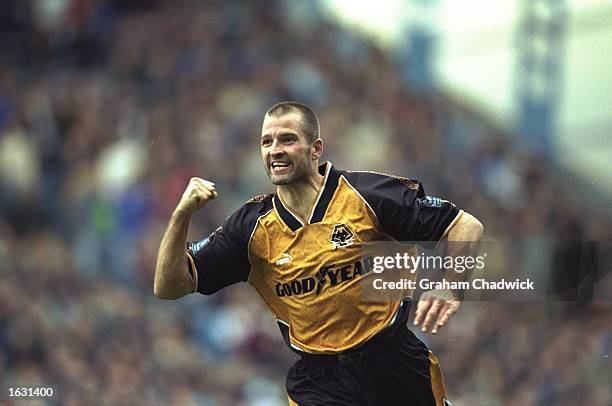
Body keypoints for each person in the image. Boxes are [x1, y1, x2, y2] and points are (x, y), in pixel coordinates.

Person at [154, 101, 483, 406]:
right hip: (320, 381)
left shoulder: (368, 195)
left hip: (394, 364)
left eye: (287, 139)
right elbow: (170, 286)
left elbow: (465, 226)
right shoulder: (249, 228)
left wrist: (450, 285)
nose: (275, 150)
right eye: (266, 142)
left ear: (316, 149)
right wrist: (181, 215)